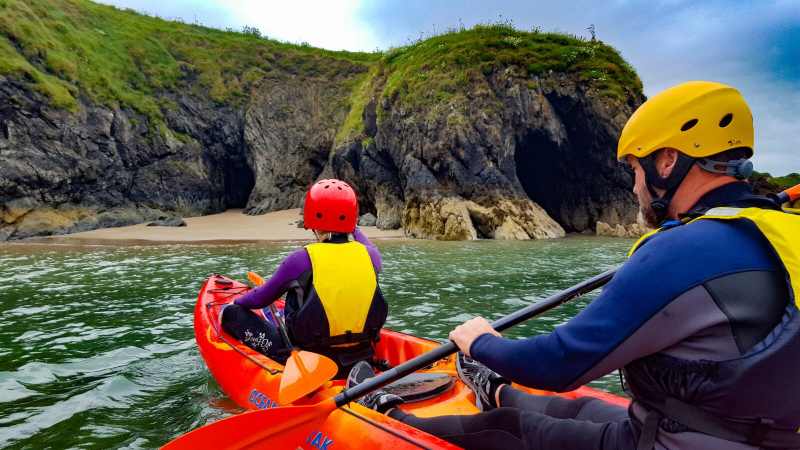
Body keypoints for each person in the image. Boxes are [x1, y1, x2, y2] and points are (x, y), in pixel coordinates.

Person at [348, 81, 800, 449]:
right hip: (724, 427)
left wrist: (481, 343)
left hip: (678, 441)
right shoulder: (780, 231)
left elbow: (560, 364)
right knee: (581, 411)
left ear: (668, 160)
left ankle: (384, 415)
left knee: (509, 430)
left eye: (636, 169)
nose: (635, 187)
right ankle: (496, 389)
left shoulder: (687, 250)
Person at [221, 179, 388, 377]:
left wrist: (236, 301)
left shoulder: (301, 259)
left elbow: (260, 299)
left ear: (312, 217)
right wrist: (349, 224)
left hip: (312, 359)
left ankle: (284, 358)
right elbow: (365, 243)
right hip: (362, 355)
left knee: (231, 313)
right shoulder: (372, 257)